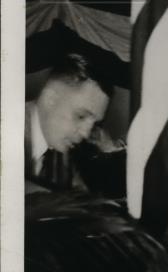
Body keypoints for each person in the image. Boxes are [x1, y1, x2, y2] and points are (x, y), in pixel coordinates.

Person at [25, 53, 113, 192]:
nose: (85, 133)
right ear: (50, 99)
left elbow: (79, 198)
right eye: (81, 116)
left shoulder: (60, 149)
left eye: (94, 123)